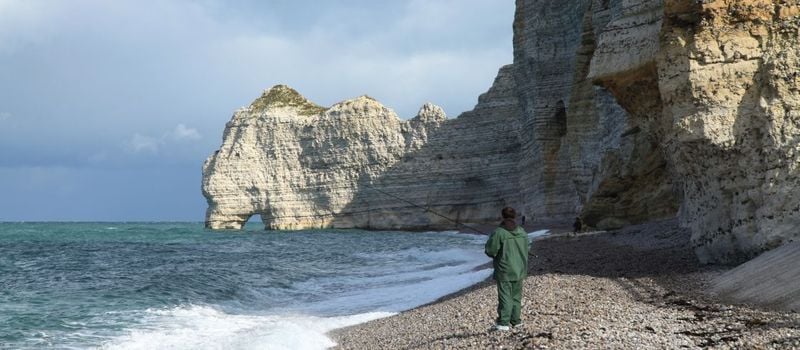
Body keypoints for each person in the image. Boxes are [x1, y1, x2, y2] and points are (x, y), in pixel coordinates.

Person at [485, 207, 529, 331]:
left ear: (502, 216)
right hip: (520, 269)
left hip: (504, 270)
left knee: (505, 296)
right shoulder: (522, 231)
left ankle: (503, 323)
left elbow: (490, 251)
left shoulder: (499, 232)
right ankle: (516, 321)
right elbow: (528, 246)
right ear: (515, 216)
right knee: (516, 296)